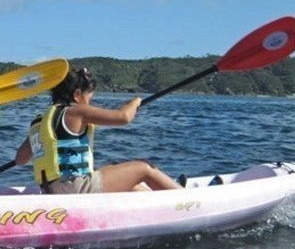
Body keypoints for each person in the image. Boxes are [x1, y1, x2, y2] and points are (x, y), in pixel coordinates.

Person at [14, 67, 182, 194]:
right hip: (76, 189)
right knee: (144, 168)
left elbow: (20, 159)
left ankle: (158, 204)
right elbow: (124, 117)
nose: (89, 102)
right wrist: (135, 102)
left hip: (52, 190)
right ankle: (184, 200)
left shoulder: (41, 121)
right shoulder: (76, 110)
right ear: (77, 95)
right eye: (89, 98)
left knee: (117, 173)